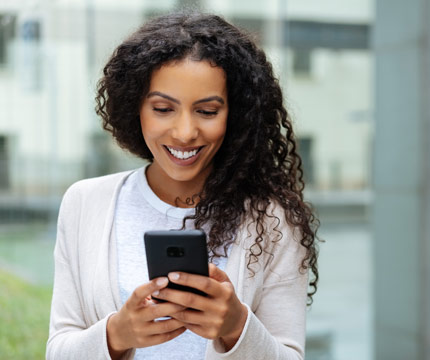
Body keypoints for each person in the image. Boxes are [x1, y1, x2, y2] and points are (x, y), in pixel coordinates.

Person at [46, 11, 319, 360]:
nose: (185, 132)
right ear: (135, 109)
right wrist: (117, 333)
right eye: (163, 108)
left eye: (207, 111)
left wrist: (236, 327)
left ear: (235, 116)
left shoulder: (272, 221)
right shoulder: (85, 203)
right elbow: (58, 351)